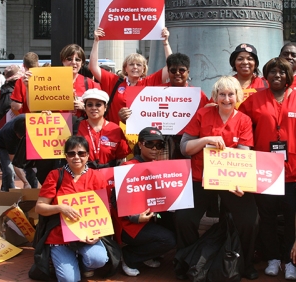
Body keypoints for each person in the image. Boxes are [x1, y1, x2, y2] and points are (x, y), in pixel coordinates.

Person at [176, 76, 259, 280]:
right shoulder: (202, 114)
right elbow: (185, 148)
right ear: (215, 96)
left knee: (251, 220)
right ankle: (189, 260)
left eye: (231, 94)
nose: (226, 98)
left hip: (229, 180)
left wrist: (241, 183)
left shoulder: (244, 120)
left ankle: (245, 263)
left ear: (237, 96)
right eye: (222, 94)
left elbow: (243, 154)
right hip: (201, 177)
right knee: (183, 219)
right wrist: (206, 140)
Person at [239, 57, 296, 280]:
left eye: (282, 72)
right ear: (266, 76)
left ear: (289, 76)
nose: (277, 76)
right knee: (267, 216)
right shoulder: (254, 100)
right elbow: (239, 122)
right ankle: (273, 258)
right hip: (264, 170)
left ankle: (290, 260)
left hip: (292, 171)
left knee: (292, 216)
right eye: (272, 72)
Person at [35, 135, 109, 281]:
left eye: (81, 153)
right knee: (69, 280)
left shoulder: (97, 177)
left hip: (87, 234)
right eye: (71, 153)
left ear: (88, 155)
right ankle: (59, 258)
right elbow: (39, 207)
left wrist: (98, 235)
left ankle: (84, 264)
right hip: (60, 235)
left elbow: (104, 211)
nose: (76, 157)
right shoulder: (55, 175)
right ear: (66, 156)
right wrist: (60, 208)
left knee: (98, 259)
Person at [118, 52, 209, 160]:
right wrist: (125, 119)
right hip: (162, 143)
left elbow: (206, 118)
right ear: (168, 72)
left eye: (182, 70)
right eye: (173, 70)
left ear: (188, 72)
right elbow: (141, 118)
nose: (177, 73)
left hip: (187, 143)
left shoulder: (198, 95)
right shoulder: (155, 91)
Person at [111, 127, 176, 276]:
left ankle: (147, 254)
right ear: (140, 144)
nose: (154, 149)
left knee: (178, 227)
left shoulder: (159, 167)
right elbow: (115, 200)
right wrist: (134, 217)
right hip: (129, 223)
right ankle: (129, 257)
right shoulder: (127, 167)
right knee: (168, 240)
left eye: (159, 145)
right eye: (149, 144)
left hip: (151, 218)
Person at [89, 27, 172, 124]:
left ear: (144, 69)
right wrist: (96, 41)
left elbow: (170, 66)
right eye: (131, 64)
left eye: (139, 65)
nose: (135, 67)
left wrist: (165, 42)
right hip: (115, 133)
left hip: (141, 134)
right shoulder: (114, 81)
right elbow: (93, 67)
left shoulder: (149, 82)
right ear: (125, 68)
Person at [77, 88, 131, 168]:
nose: (94, 108)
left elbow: (121, 159)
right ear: (85, 108)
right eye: (90, 105)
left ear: (105, 107)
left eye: (98, 105)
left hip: (109, 176)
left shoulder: (115, 129)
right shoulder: (76, 127)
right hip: (84, 176)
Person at [60, 44, 101, 118]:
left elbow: (101, 110)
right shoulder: (51, 82)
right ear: (63, 61)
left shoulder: (91, 84)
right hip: (58, 126)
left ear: (82, 63)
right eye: (69, 59)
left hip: (82, 127)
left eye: (78, 60)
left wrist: (84, 107)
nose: (73, 62)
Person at [0, 114, 33, 190]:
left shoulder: (28, 119)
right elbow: (15, 163)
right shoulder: (9, 136)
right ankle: (7, 192)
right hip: (2, 146)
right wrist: (25, 182)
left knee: (31, 169)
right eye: (19, 136)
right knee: (9, 170)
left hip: (18, 144)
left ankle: (33, 190)